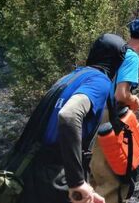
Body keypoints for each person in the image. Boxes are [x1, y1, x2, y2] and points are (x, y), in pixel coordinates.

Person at [17, 33, 128, 203]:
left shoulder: (70, 78)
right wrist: (76, 182)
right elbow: (69, 116)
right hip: (54, 175)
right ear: (117, 61)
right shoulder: (100, 81)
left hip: (30, 169)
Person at [90, 18, 139, 203]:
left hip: (93, 115)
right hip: (109, 120)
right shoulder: (132, 57)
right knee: (112, 180)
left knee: (95, 174)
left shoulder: (117, 52)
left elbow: (125, 95)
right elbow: (122, 95)